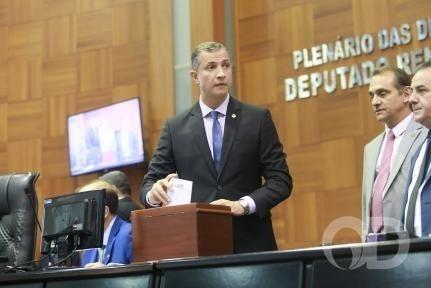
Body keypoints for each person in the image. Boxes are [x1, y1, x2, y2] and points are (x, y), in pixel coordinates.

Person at [140, 41, 292, 253]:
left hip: (252, 244)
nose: (221, 73)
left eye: (226, 65)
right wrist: (153, 195)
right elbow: (149, 185)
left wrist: (243, 205)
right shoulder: (175, 128)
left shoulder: (257, 119)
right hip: (198, 247)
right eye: (211, 67)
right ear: (195, 76)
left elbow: (281, 180)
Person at [362, 67, 427, 240]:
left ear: (406, 94)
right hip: (374, 246)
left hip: (413, 244)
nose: (375, 102)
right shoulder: (371, 148)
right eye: (372, 95)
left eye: (382, 93)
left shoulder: (425, 133)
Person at [404, 61, 431, 238]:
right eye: (412, 91)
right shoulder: (418, 152)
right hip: (416, 259)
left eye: (422, 91)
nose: (412, 99)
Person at [79, 180, 132, 268]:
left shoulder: (129, 234)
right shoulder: (89, 245)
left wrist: (107, 272)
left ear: (104, 212)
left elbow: (142, 276)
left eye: (85, 208)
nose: (79, 216)